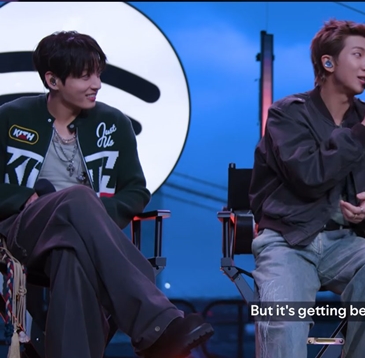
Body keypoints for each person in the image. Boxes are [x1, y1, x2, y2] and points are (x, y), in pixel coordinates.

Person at [0, 31, 213, 358]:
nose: (97, 84)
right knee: (78, 198)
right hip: (20, 234)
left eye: (98, 74)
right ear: (53, 80)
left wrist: (96, 216)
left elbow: (136, 189)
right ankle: (156, 322)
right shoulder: (11, 117)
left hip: (82, 239)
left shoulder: (113, 123)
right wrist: (20, 197)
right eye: (85, 76)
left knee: (71, 256)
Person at [249, 19, 365, 358]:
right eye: (358, 55)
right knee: (283, 322)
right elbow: (309, 176)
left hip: (346, 242)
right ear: (328, 62)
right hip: (288, 240)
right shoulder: (287, 114)